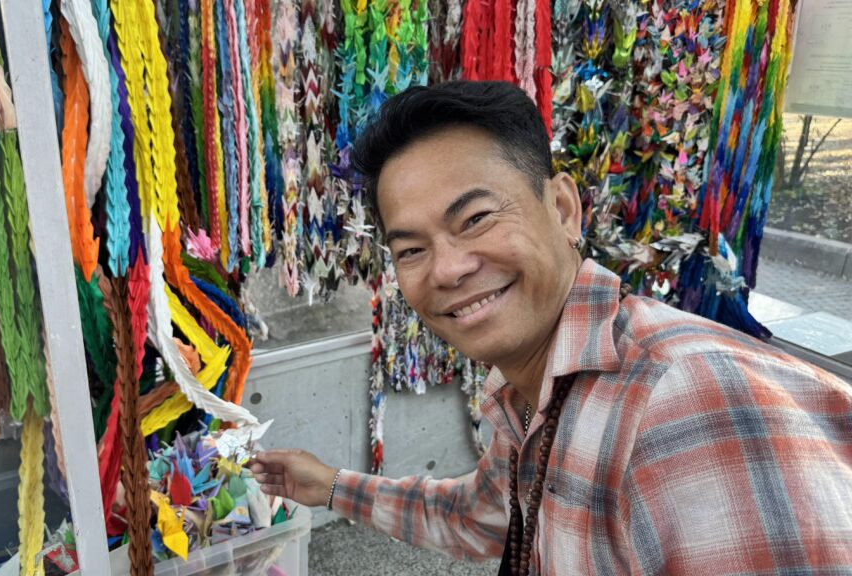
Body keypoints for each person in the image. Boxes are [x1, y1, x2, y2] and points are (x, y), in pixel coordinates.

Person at [248, 81, 852, 575]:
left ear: (563, 209)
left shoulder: (688, 404)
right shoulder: (532, 388)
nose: (448, 269)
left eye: (477, 218)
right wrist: (327, 485)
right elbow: (482, 515)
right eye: (410, 250)